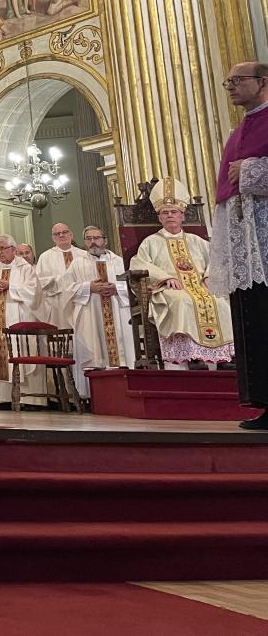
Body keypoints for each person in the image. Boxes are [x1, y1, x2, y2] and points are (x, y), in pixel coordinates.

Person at [207, 61, 268, 429]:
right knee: (253, 317)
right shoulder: (237, 132)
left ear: (262, 82)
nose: (230, 86)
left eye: (237, 80)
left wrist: (249, 170)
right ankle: (263, 402)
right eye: (227, 81)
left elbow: (245, 174)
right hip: (246, 244)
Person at [131, 180, 234, 370]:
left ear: (182, 216)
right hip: (170, 289)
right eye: (165, 213)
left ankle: (223, 358)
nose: (170, 215)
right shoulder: (150, 242)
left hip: (201, 286)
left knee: (219, 301)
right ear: (159, 218)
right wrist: (165, 277)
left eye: (174, 212)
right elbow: (139, 263)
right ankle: (193, 357)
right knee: (183, 301)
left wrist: (209, 276)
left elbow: (217, 259)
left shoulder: (197, 241)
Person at [69, 225, 133, 397]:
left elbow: (133, 286)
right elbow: (66, 288)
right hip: (91, 314)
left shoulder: (119, 262)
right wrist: (88, 287)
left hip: (117, 312)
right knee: (94, 354)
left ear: (105, 240)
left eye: (96, 238)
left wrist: (116, 288)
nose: (93, 242)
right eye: (88, 238)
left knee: (122, 353)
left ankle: (124, 394)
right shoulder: (77, 263)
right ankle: (94, 396)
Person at [0, 235, 44, 407]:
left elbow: (34, 292)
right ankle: (4, 399)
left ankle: (30, 399)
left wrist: (10, 286)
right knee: (0, 356)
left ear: (13, 249)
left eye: (3, 248)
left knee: (22, 353)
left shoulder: (25, 268)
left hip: (21, 319)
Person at [34, 223, 86, 327]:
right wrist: (59, 280)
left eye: (65, 232)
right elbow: (39, 282)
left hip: (81, 301)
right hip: (57, 304)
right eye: (57, 234)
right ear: (53, 238)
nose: (61, 235)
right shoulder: (45, 257)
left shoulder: (84, 255)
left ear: (71, 235)